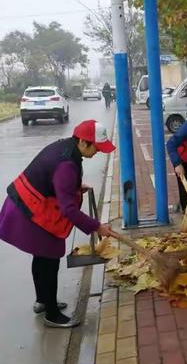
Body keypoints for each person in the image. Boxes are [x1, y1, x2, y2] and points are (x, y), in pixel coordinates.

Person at [0, 120, 115, 328]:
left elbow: (55, 179)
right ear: (83, 142)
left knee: (42, 256)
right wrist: (97, 226)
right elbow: (68, 209)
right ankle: (52, 315)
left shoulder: (66, 148)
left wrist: (76, 186)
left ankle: (43, 301)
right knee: (50, 258)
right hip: (29, 210)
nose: (97, 152)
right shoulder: (67, 164)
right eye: (96, 148)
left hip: (25, 203)